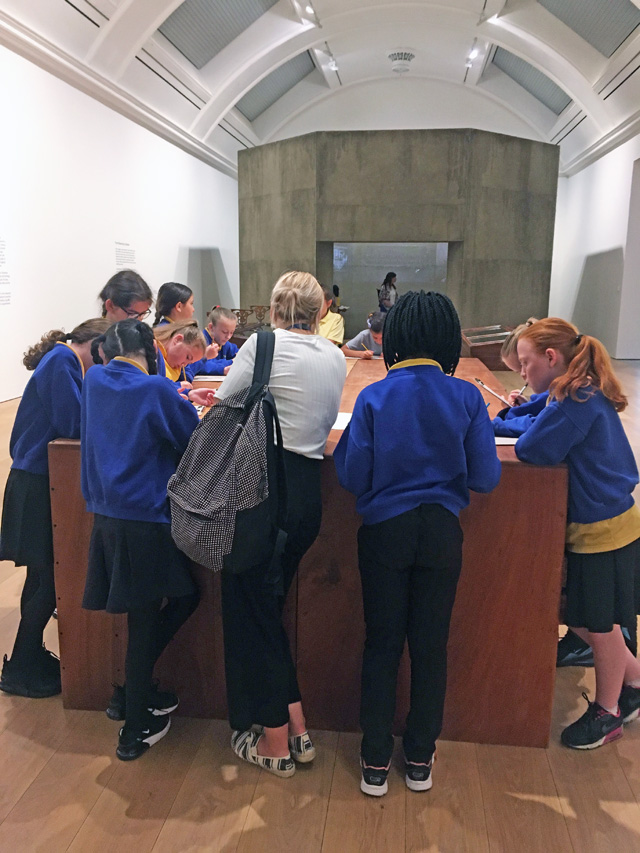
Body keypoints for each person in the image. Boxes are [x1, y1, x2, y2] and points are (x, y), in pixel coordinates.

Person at [334, 291, 501, 797]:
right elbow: (487, 478)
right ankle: (422, 757)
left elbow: (350, 475)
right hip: (441, 534)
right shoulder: (467, 396)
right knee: (431, 647)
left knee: (382, 643)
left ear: (397, 339)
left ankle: (374, 760)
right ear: (449, 340)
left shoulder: (375, 396)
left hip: (385, 531)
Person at [214, 271, 346, 778]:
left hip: (261, 493)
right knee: (265, 609)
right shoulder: (334, 356)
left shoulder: (260, 346)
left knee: (254, 612)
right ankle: (296, 725)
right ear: (320, 314)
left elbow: (227, 406)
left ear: (272, 310)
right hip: (305, 497)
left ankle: (272, 741)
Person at [515, 318, 640, 749]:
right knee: (590, 621)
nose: (523, 372)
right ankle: (636, 682)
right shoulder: (577, 389)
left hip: (602, 531)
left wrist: (511, 422)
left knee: (598, 626)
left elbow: (533, 447)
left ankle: (608, 712)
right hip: (611, 524)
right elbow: (538, 417)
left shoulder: (575, 400)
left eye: (527, 363)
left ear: (552, 358)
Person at [81, 320, 201, 760]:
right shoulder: (155, 390)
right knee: (159, 615)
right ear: (152, 346)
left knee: (145, 617)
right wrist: (182, 400)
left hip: (107, 517)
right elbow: (192, 438)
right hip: (146, 519)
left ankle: (134, 694)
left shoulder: (95, 381)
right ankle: (134, 727)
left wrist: (177, 396)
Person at [0, 318, 111, 698]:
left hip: (38, 480)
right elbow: (73, 424)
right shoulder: (62, 361)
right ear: (94, 346)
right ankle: (19, 669)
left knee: (44, 578)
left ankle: (25, 658)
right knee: (46, 579)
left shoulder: (64, 362)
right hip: (35, 483)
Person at [153, 322, 215, 407]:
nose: (184, 365)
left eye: (189, 363)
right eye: (188, 357)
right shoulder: (153, 355)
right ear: (177, 340)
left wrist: (189, 393)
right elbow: (154, 388)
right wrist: (179, 387)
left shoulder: (169, 361)